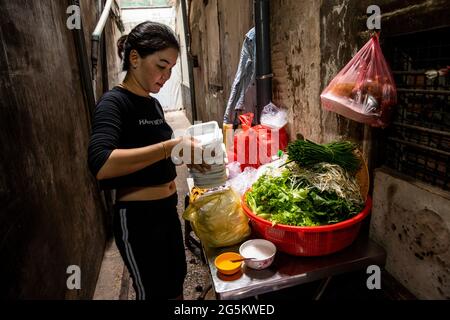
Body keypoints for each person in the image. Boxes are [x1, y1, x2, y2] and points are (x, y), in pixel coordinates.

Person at [87, 21, 209, 300]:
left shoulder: (153, 103)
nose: (165, 76)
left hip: (167, 211)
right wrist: (170, 146)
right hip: (139, 219)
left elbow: (150, 152)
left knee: (176, 282)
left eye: (170, 69)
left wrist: (183, 153)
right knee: (154, 292)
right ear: (134, 58)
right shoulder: (114, 103)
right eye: (161, 65)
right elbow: (101, 164)